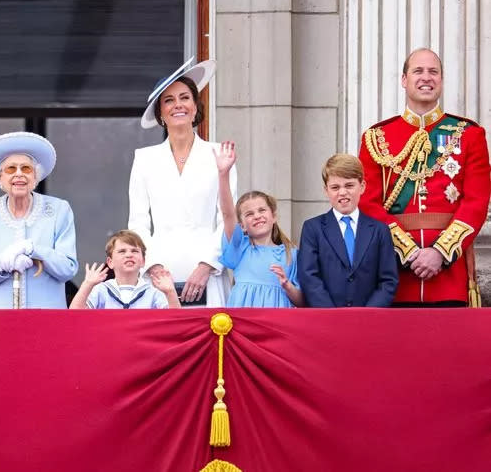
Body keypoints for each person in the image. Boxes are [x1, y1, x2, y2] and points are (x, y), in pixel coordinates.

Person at [358, 48, 491, 307]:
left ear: (441, 80)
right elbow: (367, 202)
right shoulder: (376, 137)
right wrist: (408, 252)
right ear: (404, 79)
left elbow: (476, 202)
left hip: (448, 277)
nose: (426, 77)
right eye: (418, 71)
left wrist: (440, 253)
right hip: (394, 275)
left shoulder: (469, 135)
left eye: (433, 72)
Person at [128, 58, 236, 307]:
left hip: (208, 272)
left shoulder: (220, 154)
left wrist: (207, 265)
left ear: (196, 107)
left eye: (185, 98)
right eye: (169, 100)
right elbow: (138, 221)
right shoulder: (144, 159)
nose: (178, 105)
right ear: (161, 114)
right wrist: (153, 265)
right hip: (159, 273)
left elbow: (227, 219)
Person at [0, 132, 78, 308]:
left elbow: (67, 269)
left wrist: (34, 250)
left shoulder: (59, 210)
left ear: (35, 177)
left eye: (26, 168)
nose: (19, 174)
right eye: (10, 169)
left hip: (47, 318)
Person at [298, 154, 398, 307]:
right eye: (335, 187)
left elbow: (388, 280)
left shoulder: (379, 230)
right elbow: (309, 276)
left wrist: (367, 314)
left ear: (362, 186)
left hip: (368, 320)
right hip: (326, 319)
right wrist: (332, 315)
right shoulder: (313, 228)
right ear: (326, 190)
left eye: (349, 185)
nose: (342, 192)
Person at [214, 141, 303, 307]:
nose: (257, 216)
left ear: (274, 216)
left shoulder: (292, 254)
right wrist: (223, 174)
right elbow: (227, 213)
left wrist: (287, 285)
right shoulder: (240, 248)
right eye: (249, 214)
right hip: (244, 323)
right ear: (242, 226)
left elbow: (302, 301)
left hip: (277, 324)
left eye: (262, 210)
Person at [69, 230, 180, 309]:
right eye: (122, 251)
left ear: (143, 261)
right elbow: (75, 314)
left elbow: (174, 322)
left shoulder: (153, 292)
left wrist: (170, 292)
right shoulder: (101, 290)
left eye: (134, 251)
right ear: (110, 262)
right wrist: (87, 284)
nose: (129, 255)